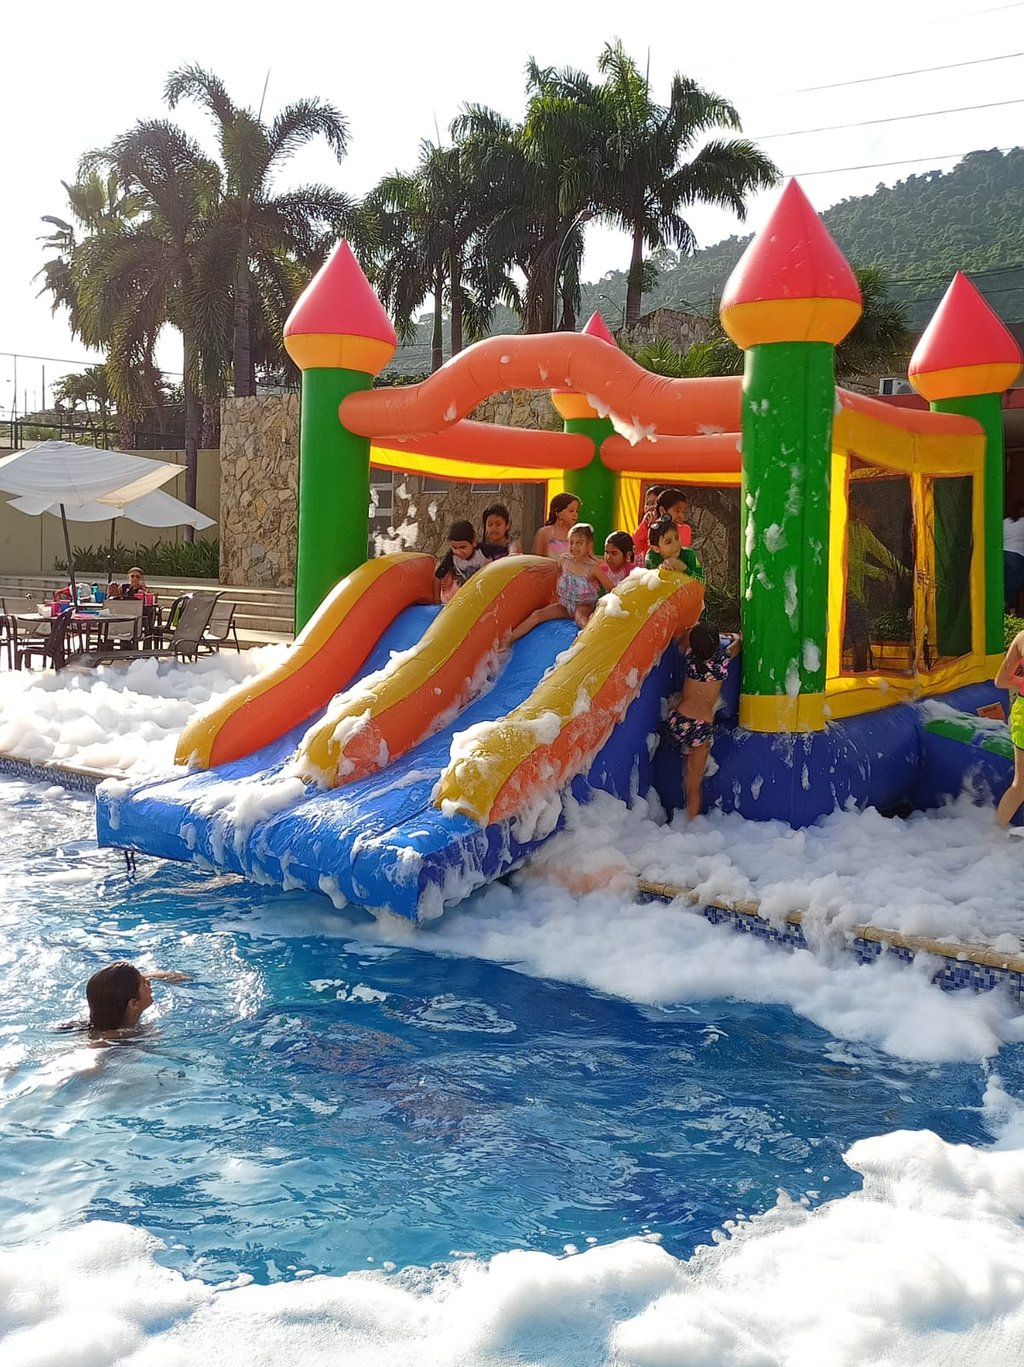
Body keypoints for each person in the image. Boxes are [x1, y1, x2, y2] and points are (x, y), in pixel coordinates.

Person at [667, 623, 743, 819]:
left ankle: (685, 752)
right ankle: (691, 824)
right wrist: (733, 636)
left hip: (678, 720)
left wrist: (694, 628)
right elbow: (739, 643)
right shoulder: (722, 661)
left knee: (677, 702)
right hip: (700, 729)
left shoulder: (690, 658)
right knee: (694, 785)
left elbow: (686, 636)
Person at [511, 522, 612, 640]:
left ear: (589, 545)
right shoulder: (565, 560)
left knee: (580, 618)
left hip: (583, 607)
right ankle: (509, 638)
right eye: (571, 542)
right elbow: (555, 574)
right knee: (537, 614)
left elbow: (611, 588)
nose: (574, 547)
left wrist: (605, 608)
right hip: (565, 606)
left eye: (579, 543)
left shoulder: (592, 568)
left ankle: (590, 642)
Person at [85, 961, 190, 1033]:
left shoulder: (101, 1019)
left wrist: (165, 976)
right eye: (144, 982)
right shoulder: (123, 1039)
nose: (149, 982)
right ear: (134, 1004)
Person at [995, 628, 1024, 829]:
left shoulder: (1022, 637)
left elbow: (1001, 681)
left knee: (1020, 785)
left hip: (1022, 712)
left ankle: (993, 837)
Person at [434, 519, 488, 603]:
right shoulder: (452, 556)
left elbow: (505, 553)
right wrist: (436, 600)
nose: (458, 552)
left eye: (463, 547)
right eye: (454, 547)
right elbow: (438, 576)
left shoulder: (483, 551)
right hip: (469, 592)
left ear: (474, 542)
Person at [645, 515, 705, 581]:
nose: (676, 544)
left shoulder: (689, 555)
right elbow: (647, 580)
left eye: (677, 538)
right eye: (668, 542)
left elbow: (703, 582)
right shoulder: (652, 556)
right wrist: (661, 569)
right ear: (656, 549)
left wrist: (684, 569)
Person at [532, 492, 582, 559]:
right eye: (571, 511)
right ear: (558, 512)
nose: (575, 514)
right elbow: (536, 559)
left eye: (577, 511)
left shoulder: (579, 534)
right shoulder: (544, 533)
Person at [633, 485, 665, 561]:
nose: (649, 507)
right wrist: (645, 524)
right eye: (647, 504)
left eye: (653, 503)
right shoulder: (644, 524)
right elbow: (636, 546)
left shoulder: (669, 526)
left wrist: (654, 526)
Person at [1005, 503, 1024, 611]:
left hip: (1001, 555)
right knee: (1013, 585)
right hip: (1016, 557)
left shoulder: (1003, 523)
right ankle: (1007, 606)